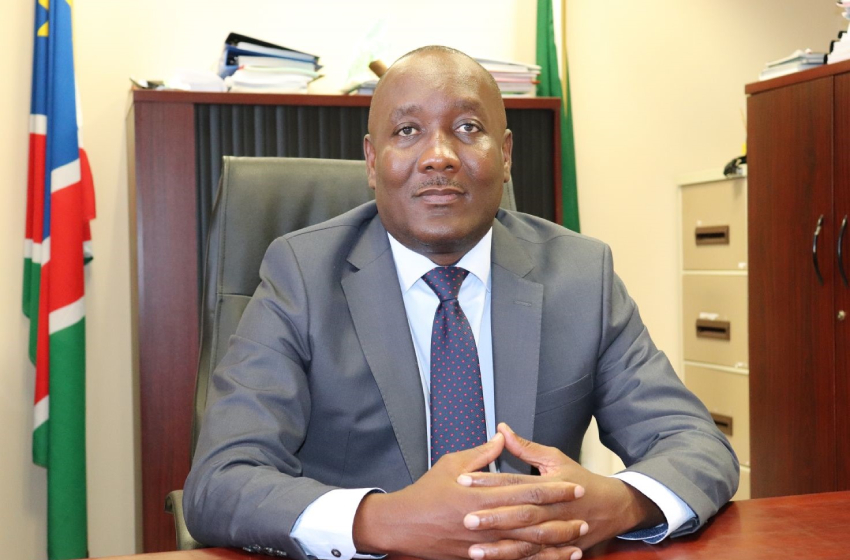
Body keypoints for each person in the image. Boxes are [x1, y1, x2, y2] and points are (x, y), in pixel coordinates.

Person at [183, 46, 738, 560]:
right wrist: (387, 521)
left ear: (506, 154)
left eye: (468, 128)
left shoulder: (580, 274)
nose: (439, 156)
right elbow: (221, 481)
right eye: (407, 131)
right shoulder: (302, 275)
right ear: (372, 162)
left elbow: (696, 445)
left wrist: (617, 504)